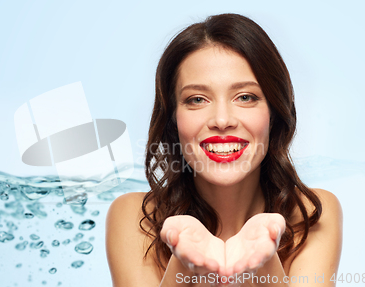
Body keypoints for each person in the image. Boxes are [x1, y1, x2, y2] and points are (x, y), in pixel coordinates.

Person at [106, 13, 342, 287]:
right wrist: (186, 262)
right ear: (173, 119)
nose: (221, 120)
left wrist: (263, 263)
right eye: (197, 99)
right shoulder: (135, 216)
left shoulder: (311, 213)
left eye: (245, 97)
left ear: (274, 113)